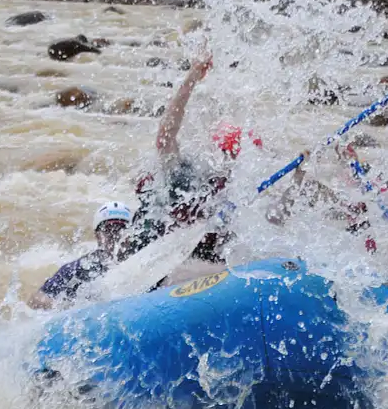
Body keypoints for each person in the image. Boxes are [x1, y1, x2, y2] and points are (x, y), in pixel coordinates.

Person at [125, 53, 263, 266]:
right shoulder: (189, 175)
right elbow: (165, 137)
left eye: (236, 157)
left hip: (212, 260)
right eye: (228, 155)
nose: (231, 161)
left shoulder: (243, 184)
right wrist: (191, 80)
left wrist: (299, 176)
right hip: (167, 252)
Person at [27, 201, 134, 310]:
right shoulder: (80, 268)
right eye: (108, 230)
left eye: (121, 230)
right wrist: (62, 306)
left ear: (130, 235)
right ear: (98, 236)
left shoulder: (142, 260)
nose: (115, 236)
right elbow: (36, 299)